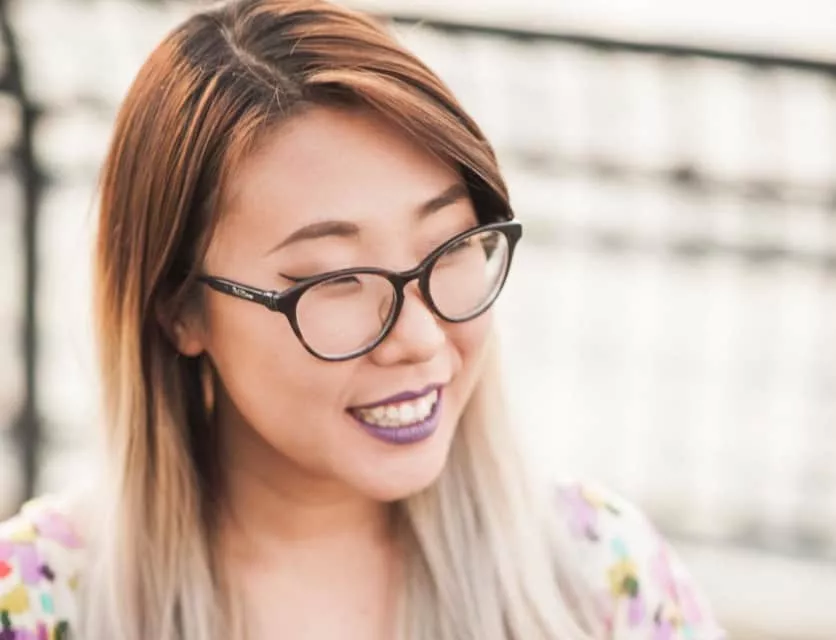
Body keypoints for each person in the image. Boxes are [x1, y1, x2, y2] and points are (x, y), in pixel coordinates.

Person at [0, 1, 726, 638]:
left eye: (449, 245)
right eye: (336, 280)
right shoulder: (36, 600)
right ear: (180, 309)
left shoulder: (601, 578)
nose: (420, 338)